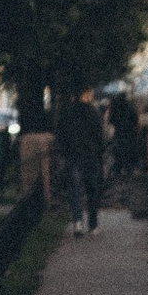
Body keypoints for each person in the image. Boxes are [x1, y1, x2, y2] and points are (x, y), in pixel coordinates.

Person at [60, 91, 105, 233]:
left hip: (73, 156)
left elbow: (62, 134)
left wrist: (65, 152)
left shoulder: (68, 112)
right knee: (92, 190)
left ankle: (78, 222)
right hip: (90, 156)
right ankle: (93, 224)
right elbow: (99, 135)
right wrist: (100, 152)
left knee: (75, 190)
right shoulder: (93, 112)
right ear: (86, 95)